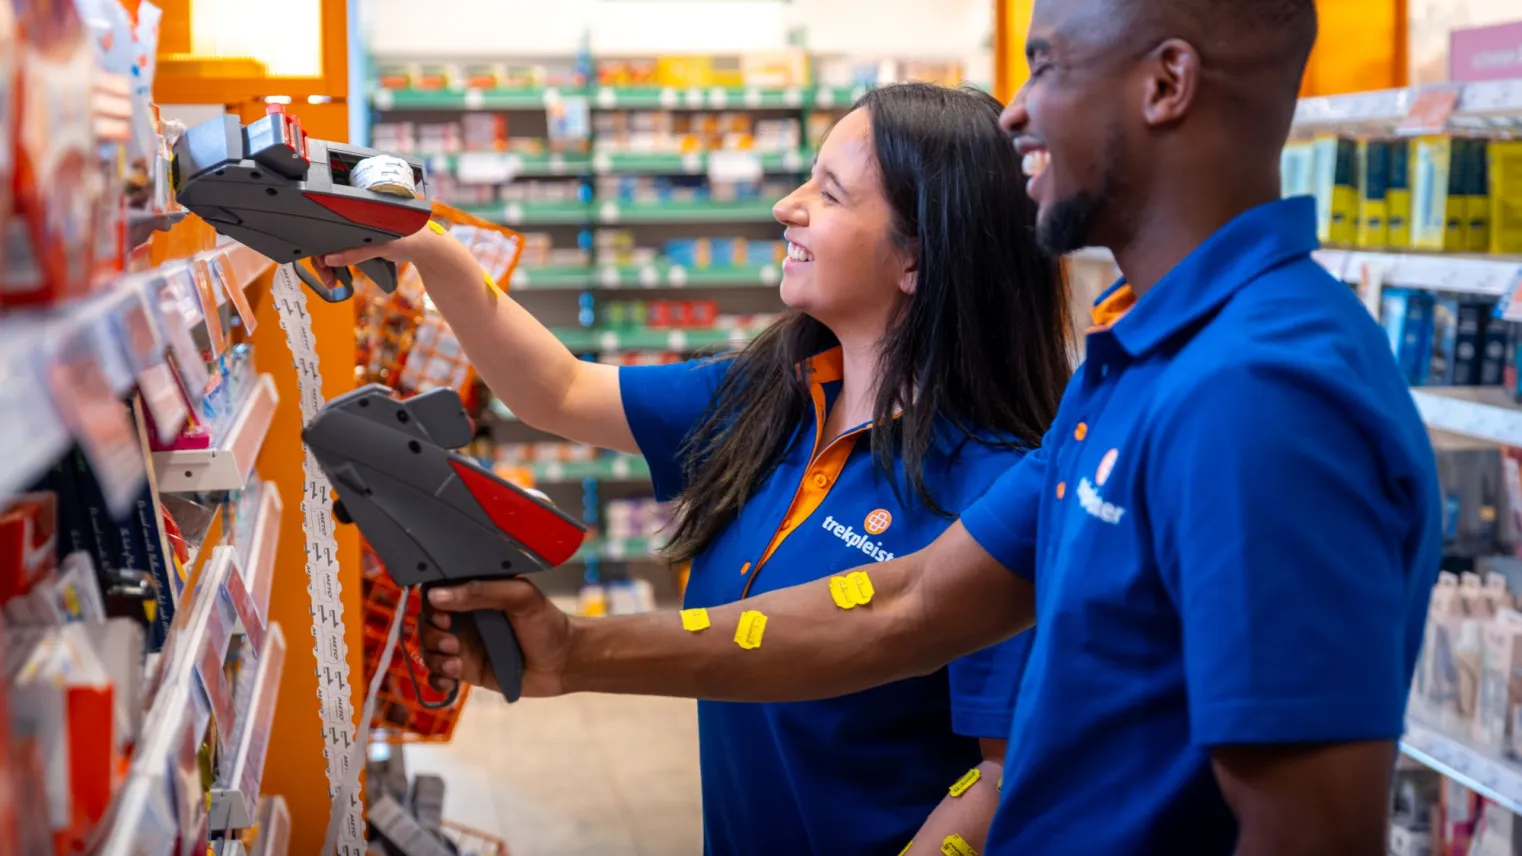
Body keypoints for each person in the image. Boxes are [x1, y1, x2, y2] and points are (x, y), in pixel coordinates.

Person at [415, 1, 1443, 855]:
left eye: (1045, 64)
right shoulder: (1138, 355)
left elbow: (1307, 831)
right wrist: (574, 647)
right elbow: (902, 608)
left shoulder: (1260, 393)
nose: (1015, 112)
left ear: (1165, 85)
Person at [326, 83, 1073, 855]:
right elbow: (560, 389)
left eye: (830, 192)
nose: (787, 206)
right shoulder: (773, 398)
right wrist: (429, 249)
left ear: (916, 254)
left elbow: (1001, 781)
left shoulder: (995, 493)